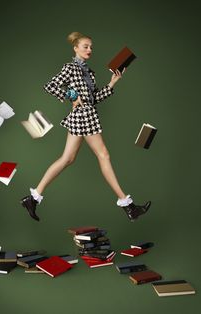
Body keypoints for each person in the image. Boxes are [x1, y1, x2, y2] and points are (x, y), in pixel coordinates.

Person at [21, 31, 151, 222]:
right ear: (75, 48)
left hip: (86, 113)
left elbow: (94, 98)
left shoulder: (88, 72)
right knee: (103, 155)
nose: (90, 50)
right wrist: (71, 96)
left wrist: (113, 82)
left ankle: (32, 199)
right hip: (84, 116)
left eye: (91, 47)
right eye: (85, 46)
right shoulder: (71, 67)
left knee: (67, 159)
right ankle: (128, 205)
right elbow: (50, 86)